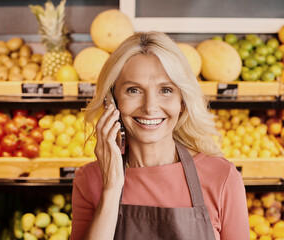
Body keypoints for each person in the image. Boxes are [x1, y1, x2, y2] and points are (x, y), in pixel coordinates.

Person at [70, 31, 250, 240]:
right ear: (111, 100)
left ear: (182, 102)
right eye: (133, 90)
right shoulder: (90, 180)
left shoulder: (223, 178)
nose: (150, 107)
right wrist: (111, 189)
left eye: (165, 90)